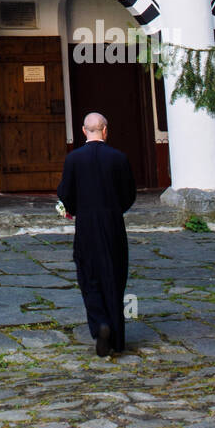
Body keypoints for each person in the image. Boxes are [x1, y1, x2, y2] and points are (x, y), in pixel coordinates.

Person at [57, 112, 136, 356]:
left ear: (83, 131)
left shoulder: (74, 159)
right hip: (113, 226)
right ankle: (117, 338)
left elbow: (65, 193)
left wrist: (73, 210)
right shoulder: (118, 158)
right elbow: (129, 194)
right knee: (115, 277)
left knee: (89, 278)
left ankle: (100, 323)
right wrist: (114, 210)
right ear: (105, 130)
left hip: (87, 227)